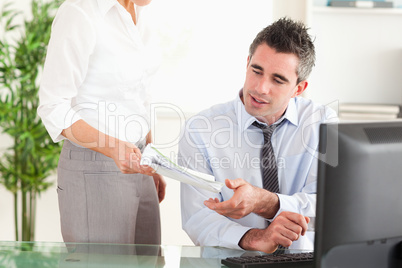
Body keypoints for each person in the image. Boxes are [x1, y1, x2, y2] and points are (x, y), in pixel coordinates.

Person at [178, 17, 338, 253]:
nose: (261, 88)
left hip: (304, 261)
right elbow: (198, 218)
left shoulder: (322, 124)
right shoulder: (201, 130)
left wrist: (267, 203)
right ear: (247, 63)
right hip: (233, 261)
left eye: (278, 79)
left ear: (299, 88)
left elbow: (330, 206)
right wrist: (255, 238)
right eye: (257, 70)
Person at [38, 0, 166, 245]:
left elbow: (141, 94)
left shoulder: (140, 12)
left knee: (149, 261)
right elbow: (53, 105)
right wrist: (115, 149)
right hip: (95, 165)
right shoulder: (79, 12)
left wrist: (151, 154)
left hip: (138, 160)